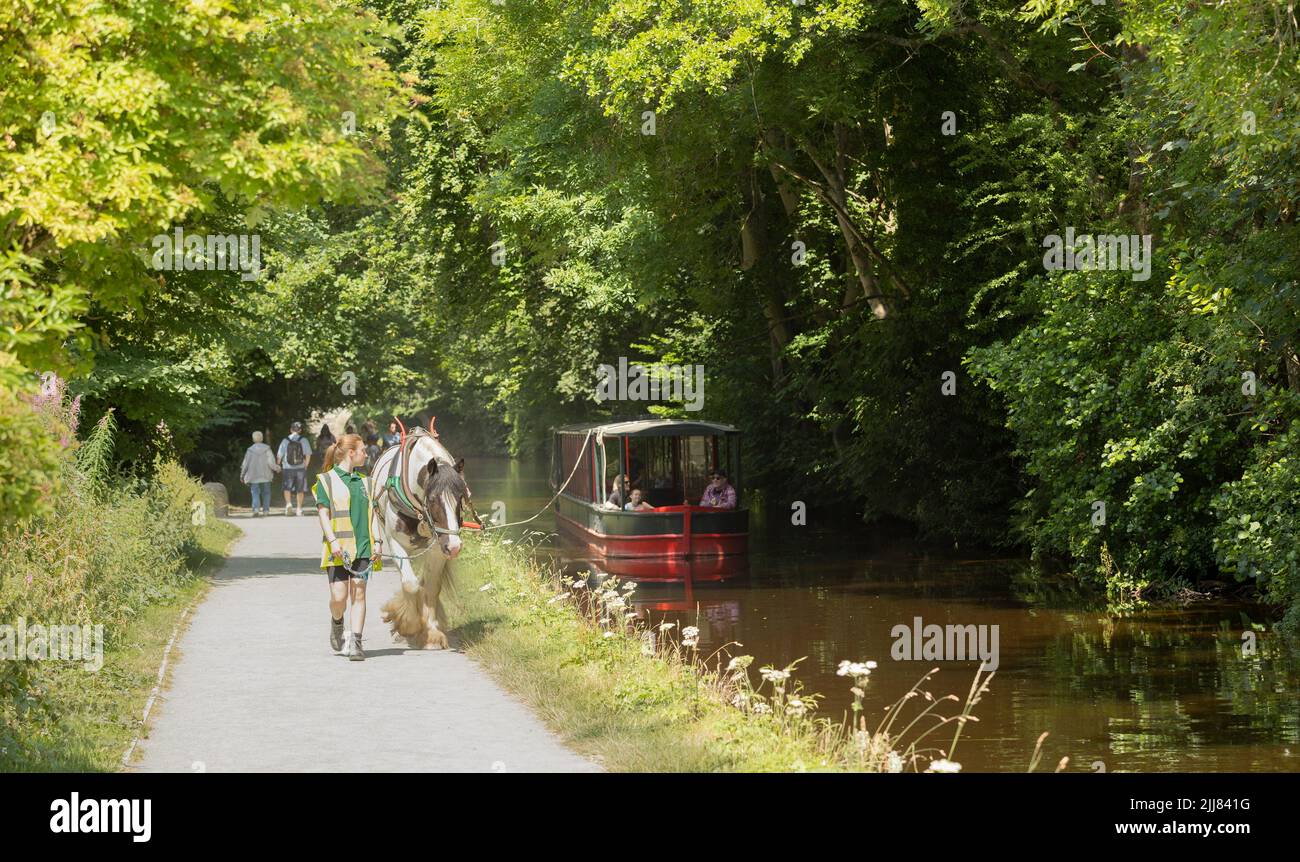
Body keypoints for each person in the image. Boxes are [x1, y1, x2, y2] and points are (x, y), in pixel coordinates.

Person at [313, 433, 383, 661]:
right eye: (362, 450)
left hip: (364, 546)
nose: (366, 453)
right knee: (339, 598)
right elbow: (323, 514)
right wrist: (332, 541)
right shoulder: (326, 480)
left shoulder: (367, 482)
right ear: (351, 453)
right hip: (339, 549)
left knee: (359, 591)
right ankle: (337, 621)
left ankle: (356, 642)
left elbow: (373, 515)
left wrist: (378, 542)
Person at [277, 421, 313, 516]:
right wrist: (306, 465)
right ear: (300, 430)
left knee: (287, 487)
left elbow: (279, 455)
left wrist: (278, 465)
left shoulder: (285, 440)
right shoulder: (303, 440)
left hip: (287, 468)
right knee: (300, 489)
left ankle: (288, 504)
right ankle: (299, 509)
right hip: (300, 468)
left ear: (290, 429)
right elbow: (308, 455)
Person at [239, 431, 279, 517]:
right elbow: (271, 463)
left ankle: (256, 509)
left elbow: (245, 464)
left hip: (253, 476)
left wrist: (242, 475)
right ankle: (266, 511)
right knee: (266, 493)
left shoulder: (250, 450)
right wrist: (278, 469)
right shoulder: (267, 449)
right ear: (262, 438)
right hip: (266, 476)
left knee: (255, 493)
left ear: (253, 439)